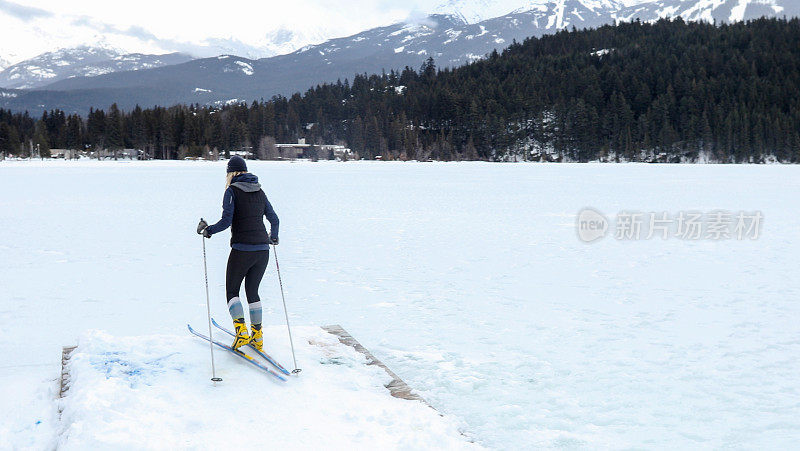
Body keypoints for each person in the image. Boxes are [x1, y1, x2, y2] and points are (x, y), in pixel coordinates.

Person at [197, 156, 279, 351]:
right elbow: (274, 219)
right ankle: (257, 336)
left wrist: (209, 230)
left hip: (242, 249)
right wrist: (273, 237)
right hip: (263, 250)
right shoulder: (260, 190)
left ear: (230, 173)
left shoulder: (232, 191)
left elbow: (226, 221)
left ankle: (241, 332)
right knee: (253, 291)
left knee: (232, 291)